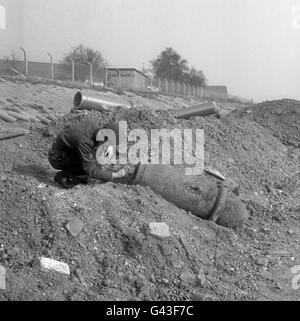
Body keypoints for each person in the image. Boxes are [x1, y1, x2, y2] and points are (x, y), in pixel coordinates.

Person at [48, 119, 125, 189]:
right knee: (89, 167)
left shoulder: (97, 126)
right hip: (58, 158)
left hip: (71, 150)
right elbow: (90, 170)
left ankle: (79, 173)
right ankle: (63, 176)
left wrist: (110, 147)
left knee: (97, 159)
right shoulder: (85, 141)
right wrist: (114, 175)